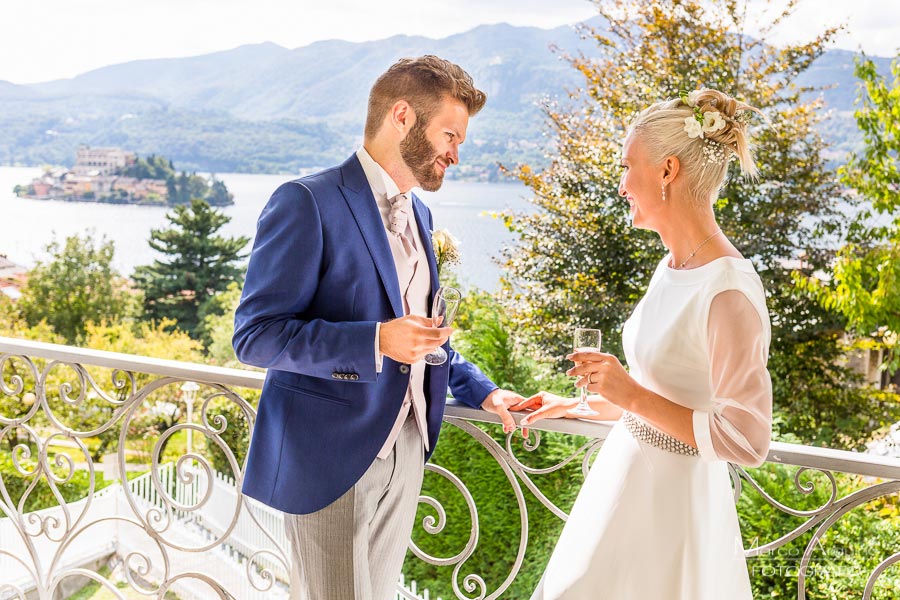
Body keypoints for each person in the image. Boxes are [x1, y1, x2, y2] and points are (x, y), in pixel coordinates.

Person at [232, 55, 525, 600]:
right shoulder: (307, 202)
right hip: (328, 454)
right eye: (449, 136)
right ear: (402, 116)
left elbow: (424, 333)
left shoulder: (421, 215)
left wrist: (485, 392)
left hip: (407, 450)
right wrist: (374, 340)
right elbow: (256, 335)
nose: (456, 155)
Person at [514, 88, 773, 599]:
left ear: (667, 171)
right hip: (622, 490)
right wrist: (585, 404)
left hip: (671, 518)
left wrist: (627, 393)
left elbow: (747, 440)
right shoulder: (672, 266)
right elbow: (668, 398)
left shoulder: (728, 290)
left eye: (627, 165)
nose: (621, 184)